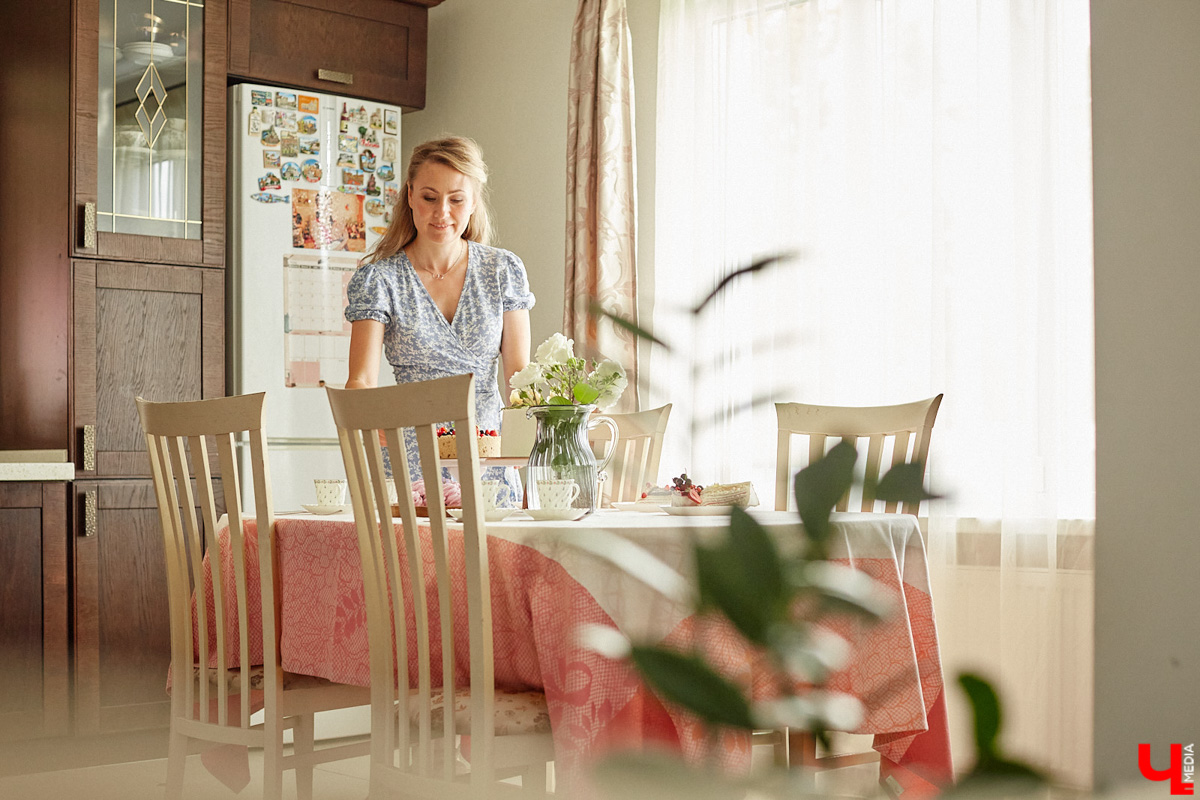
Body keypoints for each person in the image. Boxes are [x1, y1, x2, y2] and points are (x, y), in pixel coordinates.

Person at [344, 136, 534, 504]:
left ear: (474, 202)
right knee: (414, 562)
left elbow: (518, 378)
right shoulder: (379, 279)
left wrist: (541, 433)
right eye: (429, 198)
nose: (441, 212)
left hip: (489, 458)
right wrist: (372, 416)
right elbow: (360, 381)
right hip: (410, 461)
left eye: (456, 199)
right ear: (410, 195)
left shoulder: (503, 270)